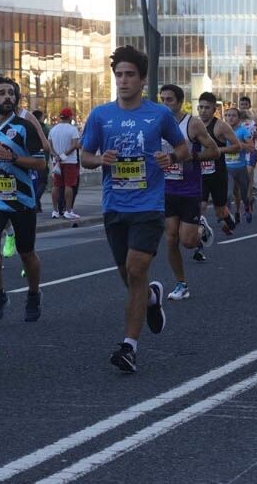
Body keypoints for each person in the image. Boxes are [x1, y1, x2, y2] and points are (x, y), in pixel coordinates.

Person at [80, 46, 189, 373]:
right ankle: (152, 299)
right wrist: (100, 159)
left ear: (142, 80)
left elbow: (183, 147)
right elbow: (84, 156)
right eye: (119, 75)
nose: (123, 81)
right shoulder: (101, 115)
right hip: (115, 206)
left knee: (137, 269)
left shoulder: (159, 115)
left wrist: (170, 159)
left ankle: (130, 347)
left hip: (149, 204)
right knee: (127, 274)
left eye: (130, 75)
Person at [0, 75, 47, 322]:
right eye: (1, 93)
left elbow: (41, 164)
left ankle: (33, 294)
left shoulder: (24, 127)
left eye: (11, 93)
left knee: (26, 253)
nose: (7, 97)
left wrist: (14, 159)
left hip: (21, 199)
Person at [158, 84, 219, 301]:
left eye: (170, 100)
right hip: (166, 189)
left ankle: (201, 227)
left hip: (190, 190)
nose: (165, 104)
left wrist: (193, 157)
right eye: (162, 100)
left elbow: (214, 151)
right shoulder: (156, 124)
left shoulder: (192, 124)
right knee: (170, 237)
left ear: (180, 102)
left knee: (188, 242)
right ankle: (181, 284)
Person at [195, 92, 242, 239]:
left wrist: (217, 151)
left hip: (218, 174)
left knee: (219, 211)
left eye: (207, 108)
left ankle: (227, 216)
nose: (203, 111)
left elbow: (237, 146)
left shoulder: (221, 126)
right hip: (200, 173)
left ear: (214, 109)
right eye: (201, 107)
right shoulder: (194, 125)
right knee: (200, 207)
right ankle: (200, 244)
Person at [48, 107, 82, 219]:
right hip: (70, 161)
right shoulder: (73, 129)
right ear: (70, 117)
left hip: (56, 161)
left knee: (56, 185)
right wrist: (63, 155)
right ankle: (68, 210)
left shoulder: (53, 130)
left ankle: (55, 210)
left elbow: (49, 146)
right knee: (69, 185)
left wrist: (55, 155)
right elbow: (75, 145)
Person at [223, 107, 255, 224]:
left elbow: (251, 147)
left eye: (233, 115)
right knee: (228, 195)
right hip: (227, 168)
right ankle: (228, 217)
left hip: (241, 168)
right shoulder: (222, 131)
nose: (230, 118)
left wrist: (239, 144)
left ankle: (247, 207)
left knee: (244, 195)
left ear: (239, 118)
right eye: (227, 115)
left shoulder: (243, 131)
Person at [238, 96, 257, 206]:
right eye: (242, 104)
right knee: (245, 176)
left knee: (248, 173)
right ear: (239, 106)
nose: (244, 106)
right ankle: (248, 196)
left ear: (249, 106)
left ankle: (248, 199)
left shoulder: (255, 118)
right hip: (240, 150)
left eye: (246, 104)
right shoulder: (236, 118)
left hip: (252, 149)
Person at [31, 109, 51, 212]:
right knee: (43, 181)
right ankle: (35, 200)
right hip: (41, 158)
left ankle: (37, 204)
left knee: (34, 181)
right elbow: (49, 144)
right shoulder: (44, 128)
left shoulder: (27, 125)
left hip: (30, 160)